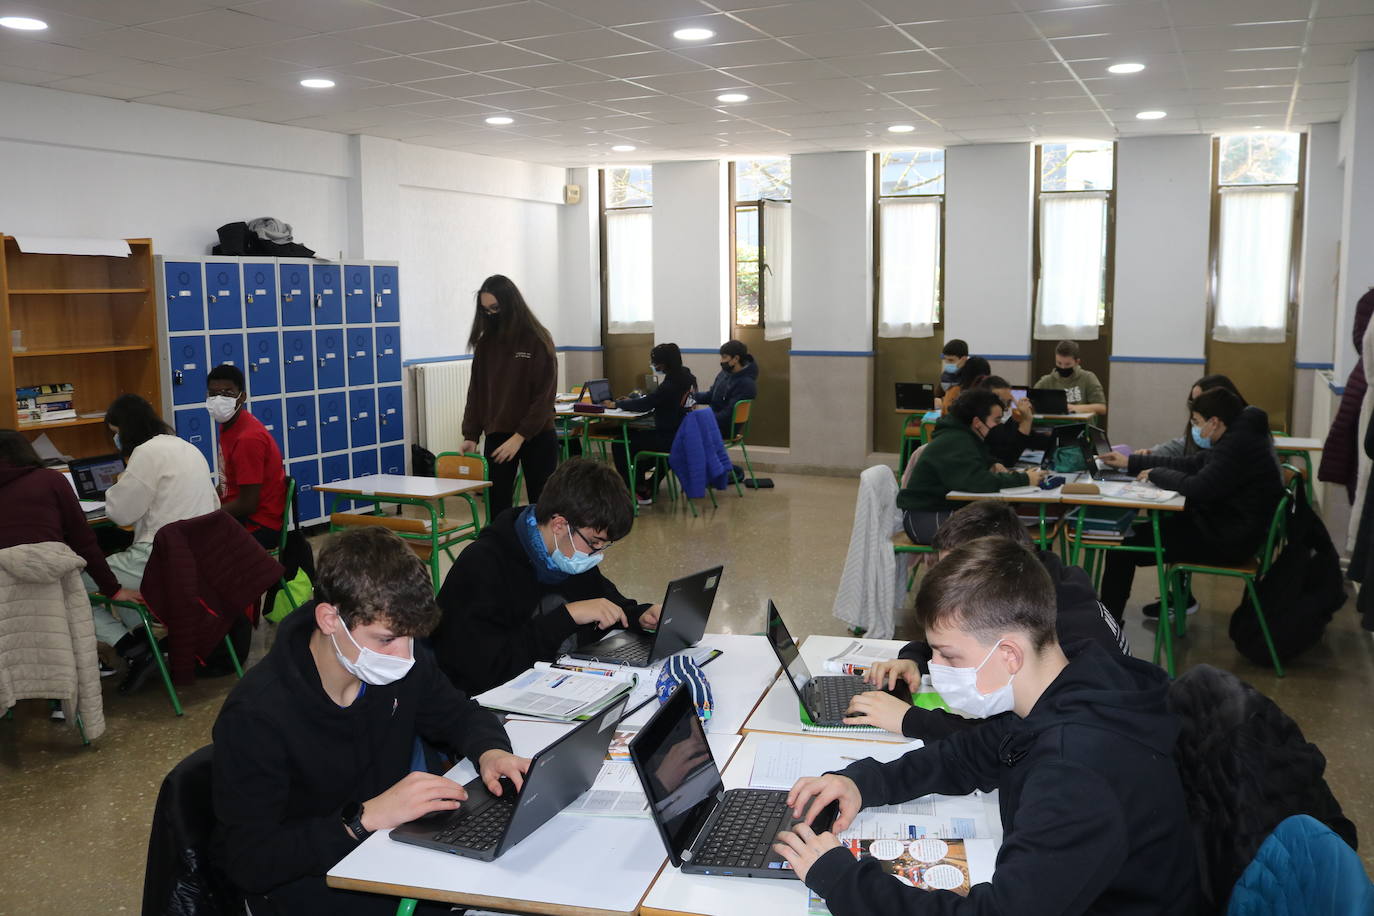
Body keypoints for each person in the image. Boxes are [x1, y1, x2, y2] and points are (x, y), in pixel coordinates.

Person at [773, 537, 1200, 915]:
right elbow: (966, 757)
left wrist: (843, 881)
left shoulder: (1076, 772)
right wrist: (864, 783)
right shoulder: (1064, 682)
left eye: (949, 656)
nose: (936, 668)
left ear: (1009, 654)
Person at [212, 527, 526, 915]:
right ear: (330, 619)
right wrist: (364, 820)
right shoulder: (256, 716)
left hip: (386, 848)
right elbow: (250, 861)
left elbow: (459, 714)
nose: (404, 656)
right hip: (311, 879)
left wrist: (491, 752)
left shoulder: (394, 664)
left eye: (411, 638)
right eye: (386, 639)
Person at [843, 500, 1127, 739]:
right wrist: (914, 660)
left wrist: (911, 721)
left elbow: (1015, 739)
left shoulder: (1070, 637)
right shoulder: (1031, 594)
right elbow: (963, 636)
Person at [432, 458, 661, 696]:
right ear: (559, 525)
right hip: (487, 699)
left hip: (559, 688)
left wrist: (639, 615)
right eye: (595, 543)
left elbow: (606, 601)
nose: (597, 554)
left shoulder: (567, 556)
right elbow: (481, 671)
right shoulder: (483, 565)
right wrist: (567, 617)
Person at [1099, 387, 1282, 621]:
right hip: (1227, 528)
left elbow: (1197, 487)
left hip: (1229, 540)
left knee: (1122, 547)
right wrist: (1131, 462)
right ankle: (1112, 622)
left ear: (1214, 422)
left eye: (1196, 422)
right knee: (1143, 533)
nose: (1194, 428)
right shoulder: (1240, 434)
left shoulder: (1237, 446)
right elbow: (1193, 463)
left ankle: (1109, 627)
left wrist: (1155, 473)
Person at [96, 395, 220, 693]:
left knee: (70, 582)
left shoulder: (145, 454)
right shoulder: (185, 447)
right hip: (199, 561)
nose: (116, 440)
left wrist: (120, 482)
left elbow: (120, 513)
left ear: (126, 429)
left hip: (157, 562)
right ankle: (145, 642)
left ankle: (129, 647)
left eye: (116, 433)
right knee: (121, 580)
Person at [0, 430, 142, 685]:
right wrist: (112, 589)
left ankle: (134, 647)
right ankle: (132, 645)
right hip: (52, 587)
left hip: (7, 605)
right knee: (79, 591)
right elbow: (84, 542)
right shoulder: (51, 480)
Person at [460, 274, 559, 519]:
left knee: (542, 507)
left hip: (536, 434)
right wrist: (471, 435)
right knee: (497, 506)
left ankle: (539, 545)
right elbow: (477, 392)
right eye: (486, 310)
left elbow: (544, 397)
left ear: (511, 304)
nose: (491, 314)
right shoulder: (486, 344)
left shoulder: (537, 339)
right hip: (499, 433)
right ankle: (501, 544)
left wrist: (520, 436)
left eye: (495, 308)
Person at [896, 388, 1045, 543]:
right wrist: (1025, 479)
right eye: (996, 420)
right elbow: (978, 482)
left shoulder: (964, 437)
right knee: (1001, 536)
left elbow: (977, 463)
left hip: (938, 511)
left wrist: (992, 463)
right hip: (924, 518)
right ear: (977, 422)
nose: (999, 425)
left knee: (1007, 527)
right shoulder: (955, 441)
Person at [603, 342, 698, 504]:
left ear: (665, 363)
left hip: (669, 437)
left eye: (656, 362)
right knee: (639, 441)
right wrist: (634, 401)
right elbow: (659, 400)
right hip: (683, 435)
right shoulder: (688, 378)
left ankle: (632, 489)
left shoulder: (670, 385)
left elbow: (646, 404)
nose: (654, 365)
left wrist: (616, 404)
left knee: (620, 443)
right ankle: (647, 485)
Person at [206, 364, 286, 549]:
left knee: (191, 543)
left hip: (258, 524)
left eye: (227, 393)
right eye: (213, 394)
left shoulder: (247, 439)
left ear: (242, 396)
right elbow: (227, 482)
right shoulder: (231, 425)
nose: (219, 400)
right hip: (241, 516)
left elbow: (248, 504)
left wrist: (208, 514)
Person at [1136, 373, 1246, 458]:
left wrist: (1157, 472)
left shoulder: (1242, 440)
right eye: (1193, 402)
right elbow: (1180, 448)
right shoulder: (1200, 435)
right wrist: (1150, 455)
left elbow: (1197, 475)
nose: (1195, 408)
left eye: (1200, 402)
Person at [696, 339, 758, 437]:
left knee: (687, 428)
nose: (721, 361)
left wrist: (704, 419)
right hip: (714, 419)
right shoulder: (725, 373)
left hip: (725, 428)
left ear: (736, 359)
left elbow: (728, 415)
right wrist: (690, 397)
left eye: (724, 357)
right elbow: (710, 396)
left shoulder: (746, 384)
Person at [1033, 340, 1107, 417]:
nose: (1063, 367)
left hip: (1080, 423)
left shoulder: (1088, 378)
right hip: (1053, 423)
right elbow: (1030, 403)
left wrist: (1075, 408)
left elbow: (1102, 408)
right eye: (1059, 363)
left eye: (1067, 364)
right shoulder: (1046, 381)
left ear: (1077, 362)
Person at [979, 376, 1034, 467]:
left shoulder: (1008, 422)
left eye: (1008, 402)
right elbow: (1008, 460)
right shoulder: (984, 426)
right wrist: (1026, 421)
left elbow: (1033, 440)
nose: (1005, 408)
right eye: (1000, 402)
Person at [935, 338, 969, 406]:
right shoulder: (946, 375)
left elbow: (968, 402)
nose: (947, 363)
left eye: (951, 360)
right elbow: (937, 395)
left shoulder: (972, 376)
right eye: (945, 359)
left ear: (963, 359)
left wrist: (944, 402)